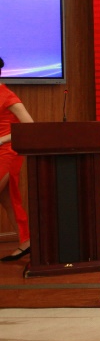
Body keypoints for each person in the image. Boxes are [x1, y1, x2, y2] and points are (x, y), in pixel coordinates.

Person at [0, 57, 34, 262]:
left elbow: (29, 126)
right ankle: (27, 241)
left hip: (6, 152)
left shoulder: (7, 95)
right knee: (9, 199)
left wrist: (2, 139)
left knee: (9, 197)